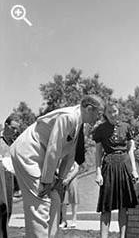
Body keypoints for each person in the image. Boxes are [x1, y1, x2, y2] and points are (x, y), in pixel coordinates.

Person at [9, 94, 104, 238]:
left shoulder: (79, 124)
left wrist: (59, 180)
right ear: (89, 109)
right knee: (41, 202)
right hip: (28, 154)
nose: (99, 118)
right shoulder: (68, 117)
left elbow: (70, 155)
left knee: (55, 198)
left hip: (41, 157)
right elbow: (54, 148)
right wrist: (47, 181)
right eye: (99, 114)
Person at [93, 101, 138, 238]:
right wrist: (98, 172)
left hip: (124, 165)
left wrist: (134, 170)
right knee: (106, 206)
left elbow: (130, 150)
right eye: (109, 112)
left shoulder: (126, 127)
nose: (112, 114)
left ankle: (122, 236)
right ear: (105, 114)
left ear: (118, 111)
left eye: (114, 111)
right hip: (109, 165)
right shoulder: (100, 129)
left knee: (124, 206)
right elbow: (98, 152)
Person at [0, 114, 21, 238]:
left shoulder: (15, 143)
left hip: (10, 181)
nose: (15, 131)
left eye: (16, 129)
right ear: (6, 125)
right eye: (13, 128)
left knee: (8, 211)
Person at [59, 162, 80, 229]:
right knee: (63, 201)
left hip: (72, 179)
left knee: (74, 200)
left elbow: (76, 169)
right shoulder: (60, 157)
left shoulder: (73, 157)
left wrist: (69, 178)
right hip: (63, 179)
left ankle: (74, 221)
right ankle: (64, 221)